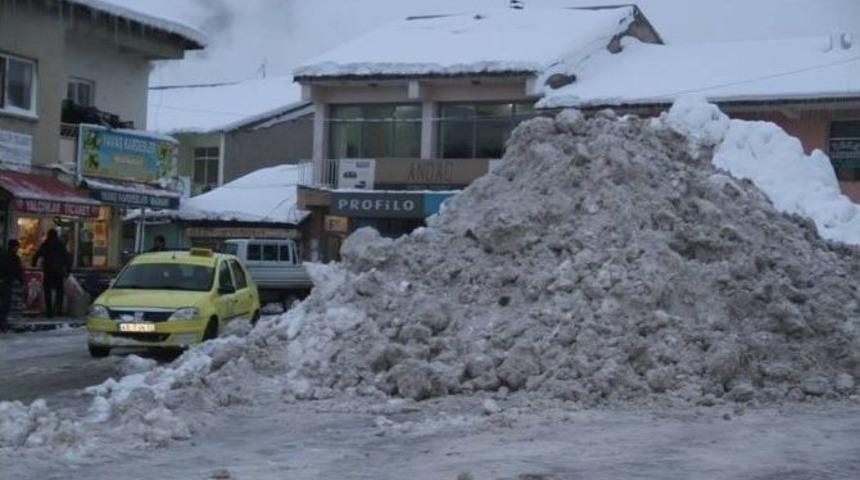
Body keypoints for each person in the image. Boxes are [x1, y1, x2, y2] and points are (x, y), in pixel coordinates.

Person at [31, 229, 71, 318]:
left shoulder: (46, 244)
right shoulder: (61, 245)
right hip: (59, 272)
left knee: (47, 291)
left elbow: (37, 255)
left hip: (48, 271)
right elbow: (66, 258)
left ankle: (49, 311)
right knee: (59, 291)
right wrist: (68, 270)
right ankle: (59, 310)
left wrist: (33, 264)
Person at [0, 239, 25, 332]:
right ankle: (2, 322)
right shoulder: (15, 258)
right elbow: (18, 271)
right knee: (5, 304)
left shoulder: (2, 255)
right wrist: (22, 282)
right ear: (15, 247)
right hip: (7, 282)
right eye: (17, 247)